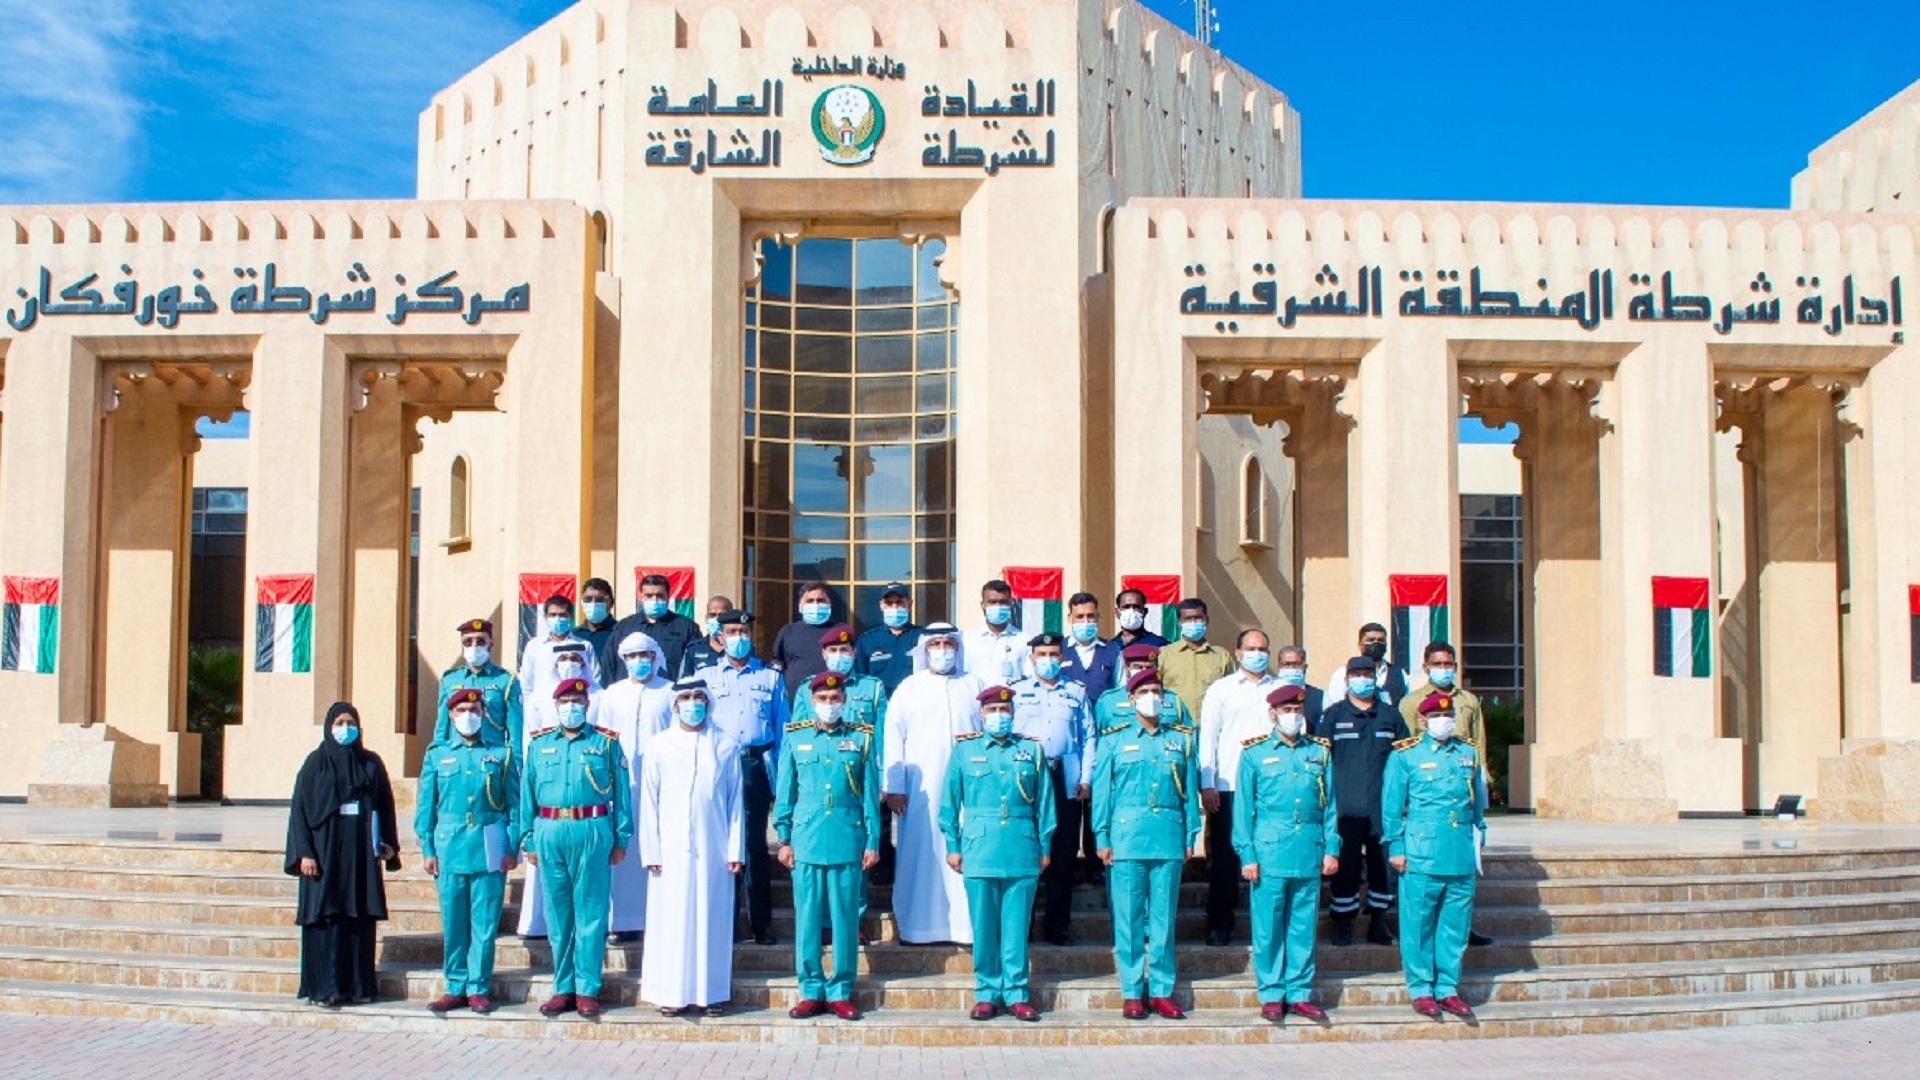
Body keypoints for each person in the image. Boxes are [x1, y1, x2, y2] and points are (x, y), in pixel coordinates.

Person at [941, 686, 1055, 1021]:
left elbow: (1045, 804)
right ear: (981, 714)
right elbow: (949, 803)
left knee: (1017, 925)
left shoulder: (1031, 750)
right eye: (992, 710)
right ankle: (987, 992)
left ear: (1013, 713)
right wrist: (952, 845)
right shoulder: (964, 750)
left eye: (1004, 710)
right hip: (979, 847)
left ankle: (1017, 992)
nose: (998, 716)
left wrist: (1045, 845)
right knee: (985, 925)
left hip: (1021, 846)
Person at [520, 677, 632, 1020]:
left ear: (587, 706)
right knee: (558, 914)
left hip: (592, 828)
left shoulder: (606, 742)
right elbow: (527, 794)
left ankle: (587, 988)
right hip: (550, 829)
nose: (572, 707)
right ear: (556, 706)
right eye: (566, 701)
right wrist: (527, 837)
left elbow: (622, 794)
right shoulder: (539, 745)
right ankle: (562, 987)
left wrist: (621, 837)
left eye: (578, 702)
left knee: (591, 912)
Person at [1093, 669, 1200, 1021]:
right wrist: (1101, 836)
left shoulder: (1182, 740)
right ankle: (1131, 990)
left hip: (1167, 837)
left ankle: (1161, 990)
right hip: (1127, 838)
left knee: (1163, 920)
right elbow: (1102, 794)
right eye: (1145, 691)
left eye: (1157, 691)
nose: (1152, 696)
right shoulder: (1113, 740)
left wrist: (1190, 836)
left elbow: (1189, 794)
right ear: (1131, 699)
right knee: (1128, 918)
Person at [775, 672, 880, 1022]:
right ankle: (810, 988)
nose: (829, 705)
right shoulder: (796, 735)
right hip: (806, 839)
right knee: (806, 920)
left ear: (844, 702)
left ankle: (840, 990)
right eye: (822, 699)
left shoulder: (861, 739)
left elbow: (869, 796)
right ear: (812, 700)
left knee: (845, 919)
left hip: (847, 838)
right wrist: (783, 838)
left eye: (835, 700)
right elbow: (785, 791)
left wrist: (873, 840)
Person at [639, 678, 746, 1017]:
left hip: (714, 849)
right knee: (671, 921)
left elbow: (735, 804)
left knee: (711, 920)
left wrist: (735, 851)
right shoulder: (658, 746)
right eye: (685, 697)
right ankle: (670, 992)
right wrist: (651, 851)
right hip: (669, 852)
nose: (692, 702)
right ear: (674, 705)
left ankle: (710, 992)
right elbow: (649, 803)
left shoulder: (725, 745)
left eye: (699, 696)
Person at [1232, 684, 1338, 1023]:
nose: (1293, 716)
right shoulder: (1254, 754)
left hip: (1308, 848)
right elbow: (1243, 810)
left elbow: (1330, 806)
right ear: (1273, 714)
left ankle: (1300, 992)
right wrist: (1246, 854)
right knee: (1268, 928)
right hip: (1269, 850)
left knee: (1303, 926)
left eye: (1297, 710)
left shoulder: (1319, 753)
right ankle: (1272, 992)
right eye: (1286, 710)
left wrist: (1331, 847)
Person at [285, 701, 399, 1008]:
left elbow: (385, 807)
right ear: (328, 726)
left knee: (358, 917)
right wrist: (304, 854)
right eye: (338, 723)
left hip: (360, 856)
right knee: (327, 918)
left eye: (350, 722)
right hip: (323, 857)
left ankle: (360, 987)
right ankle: (326, 988)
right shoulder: (314, 764)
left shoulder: (371, 764)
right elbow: (299, 811)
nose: (344, 728)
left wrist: (389, 845)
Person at [415, 688, 521, 1015]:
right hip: (450, 845)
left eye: (474, 709)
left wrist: (511, 846)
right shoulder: (437, 754)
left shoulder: (500, 755)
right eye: (462, 709)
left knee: (485, 921)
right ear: (450, 714)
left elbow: (515, 805)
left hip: (489, 843)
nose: (468, 715)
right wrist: (428, 848)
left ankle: (478, 986)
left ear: (484, 714)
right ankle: (454, 985)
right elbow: (425, 808)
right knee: (454, 920)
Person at [1383, 692, 1485, 1020]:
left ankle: (1447, 987)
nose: (1446, 720)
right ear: (1423, 721)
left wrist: (1479, 842)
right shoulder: (1406, 755)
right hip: (1421, 851)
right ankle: (1421, 987)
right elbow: (1392, 807)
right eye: (1438, 716)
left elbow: (1477, 803)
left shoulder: (1467, 751)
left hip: (1458, 850)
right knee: (1418, 923)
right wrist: (1396, 847)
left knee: (1454, 925)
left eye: (1450, 714)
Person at [882, 622, 983, 944]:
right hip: (919, 790)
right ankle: (916, 927)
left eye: (948, 643)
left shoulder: (974, 684)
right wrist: (894, 786)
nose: (942, 650)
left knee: (966, 850)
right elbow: (892, 739)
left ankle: (965, 928)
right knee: (920, 852)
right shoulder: (909, 688)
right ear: (925, 650)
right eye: (935, 643)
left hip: (968, 791)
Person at [693, 609, 787, 945]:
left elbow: (782, 728)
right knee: (722, 845)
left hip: (755, 764)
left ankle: (760, 924)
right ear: (719, 636)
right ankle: (726, 924)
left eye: (744, 630)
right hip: (720, 765)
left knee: (756, 846)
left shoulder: (770, 677)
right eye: (732, 630)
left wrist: (778, 773)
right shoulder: (704, 676)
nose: (738, 636)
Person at [1397, 641, 1493, 947]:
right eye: (1437, 664)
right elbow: (1407, 746)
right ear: (1425, 667)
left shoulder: (1469, 701)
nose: (1444, 669)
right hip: (1426, 791)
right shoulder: (1411, 703)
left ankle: (1464, 925)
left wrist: (1483, 778)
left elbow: (1478, 744)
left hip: (1462, 786)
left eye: (1448, 664)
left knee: (1463, 865)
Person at [1313, 655, 1409, 947]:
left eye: (1368, 674)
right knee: (1346, 867)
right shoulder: (1334, 716)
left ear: (1375, 679)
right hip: (1345, 809)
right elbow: (1320, 761)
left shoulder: (1391, 716)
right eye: (1356, 674)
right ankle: (1343, 922)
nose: (1362, 679)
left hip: (1382, 809)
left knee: (1382, 867)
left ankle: (1378, 922)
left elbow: (1406, 759)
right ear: (1346, 680)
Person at [1197, 629, 1280, 946]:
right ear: (1237, 653)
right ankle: (1220, 922)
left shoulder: (1280, 689)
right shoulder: (1221, 690)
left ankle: (1267, 926)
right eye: (1251, 648)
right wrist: (1208, 783)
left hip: (1270, 787)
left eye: (1263, 648)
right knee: (1225, 857)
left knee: (1269, 855)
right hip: (1229, 784)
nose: (1257, 654)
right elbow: (1209, 738)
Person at [794, 625, 889, 901]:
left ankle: (853, 917)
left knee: (855, 844)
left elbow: (881, 736)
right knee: (816, 848)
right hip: (818, 772)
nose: (839, 655)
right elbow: (798, 732)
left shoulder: (871, 688)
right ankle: (823, 919)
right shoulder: (807, 688)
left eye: (844, 650)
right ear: (823, 654)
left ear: (854, 652)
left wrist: (881, 777)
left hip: (856, 775)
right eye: (833, 650)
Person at [1009, 632, 1091, 946]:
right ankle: (1023, 927)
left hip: (1065, 778)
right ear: (1031, 658)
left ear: (1062, 656)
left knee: (1063, 854)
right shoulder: (1015, 692)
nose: (1048, 660)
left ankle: (1058, 926)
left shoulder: (1075, 691)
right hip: (1027, 780)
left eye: (1054, 654)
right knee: (1026, 853)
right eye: (1042, 654)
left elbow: (1088, 738)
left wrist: (1085, 778)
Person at [599, 631, 675, 942]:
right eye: (632, 656)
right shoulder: (612, 694)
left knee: (657, 849)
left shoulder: (669, 692)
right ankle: (623, 920)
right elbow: (604, 739)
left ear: (655, 657)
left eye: (645, 655)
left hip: (660, 786)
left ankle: (656, 920)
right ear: (624, 660)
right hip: (622, 785)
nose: (639, 662)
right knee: (624, 852)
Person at [432, 618, 522, 749]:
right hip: (456, 758)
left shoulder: (506, 681)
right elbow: (442, 727)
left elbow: (515, 730)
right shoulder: (449, 680)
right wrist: (438, 756)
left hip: (492, 758)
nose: (474, 646)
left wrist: (513, 762)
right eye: (468, 642)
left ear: (491, 643)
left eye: (480, 641)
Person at [518, 595, 601, 736]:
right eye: (553, 615)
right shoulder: (534, 646)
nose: (557, 619)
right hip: (544, 714)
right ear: (545, 617)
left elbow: (595, 680)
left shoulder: (583, 646)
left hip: (578, 713)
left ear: (570, 617)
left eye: (562, 615)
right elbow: (526, 687)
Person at [602, 572, 701, 681]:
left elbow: (697, 665)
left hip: (671, 694)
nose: (654, 600)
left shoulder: (686, 627)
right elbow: (609, 666)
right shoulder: (624, 627)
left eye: (660, 595)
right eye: (649, 596)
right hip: (630, 695)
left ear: (668, 597)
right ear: (641, 597)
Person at [1158, 597, 1235, 724]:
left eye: (1198, 618)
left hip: (1212, 724)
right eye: (1187, 619)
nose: (1193, 622)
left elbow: (1232, 691)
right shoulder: (1164, 655)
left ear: (1206, 621)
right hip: (1175, 726)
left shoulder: (1221, 655)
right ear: (1179, 622)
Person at [770, 580, 838, 699]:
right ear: (800, 606)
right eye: (810, 601)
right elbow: (777, 663)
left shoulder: (840, 631)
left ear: (829, 603)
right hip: (795, 704)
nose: (816, 605)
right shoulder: (788, 632)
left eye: (820, 600)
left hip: (832, 701)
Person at [854, 581, 922, 696]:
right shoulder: (867, 641)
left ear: (909, 604)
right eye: (889, 603)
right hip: (881, 705)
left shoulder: (923, 637)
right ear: (882, 605)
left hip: (914, 702)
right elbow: (861, 679)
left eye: (899, 602)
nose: (894, 607)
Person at [964, 579, 1027, 683]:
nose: (998, 606)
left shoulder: (1023, 640)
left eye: (1003, 602)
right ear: (983, 605)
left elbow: (1028, 677)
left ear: (1010, 604)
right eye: (992, 602)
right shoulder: (968, 640)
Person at [1059, 592, 1121, 696]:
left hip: (1102, 711)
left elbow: (1120, 687)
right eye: (1080, 616)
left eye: (1090, 616)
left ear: (1098, 617)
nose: (1086, 621)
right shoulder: (1059, 649)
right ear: (1069, 618)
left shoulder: (1113, 650)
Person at [678, 595, 736, 678]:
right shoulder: (694, 649)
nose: (717, 619)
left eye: (721, 615)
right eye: (712, 615)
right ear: (706, 618)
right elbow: (685, 682)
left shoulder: (741, 648)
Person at [1273, 644, 1327, 729]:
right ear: (1279, 667)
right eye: (1286, 664)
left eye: (1297, 664)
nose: (1291, 668)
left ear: (1305, 667)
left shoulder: (1321, 696)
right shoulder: (1269, 693)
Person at [1357, 622, 1410, 707]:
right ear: (1360, 645)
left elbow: (1406, 705)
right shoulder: (1345, 673)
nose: (1376, 643)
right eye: (1371, 640)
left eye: (1381, 640)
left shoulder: (1400, 674)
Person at [575, 577, 620, 661]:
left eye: (599, 599)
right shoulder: (574, 635)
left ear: (611, 603)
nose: (593, 604)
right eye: (587, 599)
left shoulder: (620, 633)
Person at [1112, 587, 1169, 652]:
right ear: (1117, 612)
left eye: (1136, 607)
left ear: (1145, 611)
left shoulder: (1160, 644)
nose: (1131, 611)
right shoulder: (1110, 646)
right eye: (1126, 607)